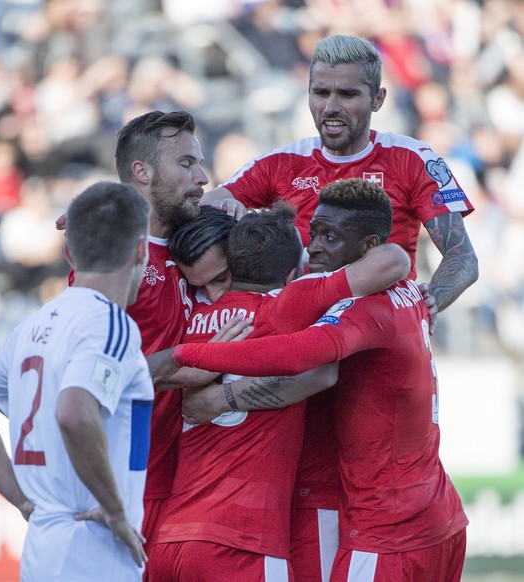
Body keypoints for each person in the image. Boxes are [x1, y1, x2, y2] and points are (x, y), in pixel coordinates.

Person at [200, 33, 478, 580]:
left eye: (348, 94)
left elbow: (462, 260)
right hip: (308, 361)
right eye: (320, 92)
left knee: (383, 505)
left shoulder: (411, 158)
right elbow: (208, 206)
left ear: (376, 99)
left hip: (376, 359)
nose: (331, 106)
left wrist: (422, 309)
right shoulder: (281, 164)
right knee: (312, 502)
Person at [167, 179, 469, 582]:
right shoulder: (410, 293)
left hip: (381, 525)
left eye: (330, 236)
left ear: (367, 246)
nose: (314, 247)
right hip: (433, 512)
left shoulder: (337, 306)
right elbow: (395, 259)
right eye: (313, 234)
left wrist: (202, 373)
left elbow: (305, 360)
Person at [0, 181, 153, 581]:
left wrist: (26, 503)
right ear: (141, 249)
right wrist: (114, 509)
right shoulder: (110, 323)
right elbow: (74, 412)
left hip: (44, 546)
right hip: (94, 548)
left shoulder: (32, 325)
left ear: (69, 252)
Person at [57, 110, 211, 552]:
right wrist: (192, 364)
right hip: (121, 490)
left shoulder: (189, 245)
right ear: (140, 172)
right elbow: (80, 382)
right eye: (185, 164)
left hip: (173, 484)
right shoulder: (117, 262)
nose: (201, 176)